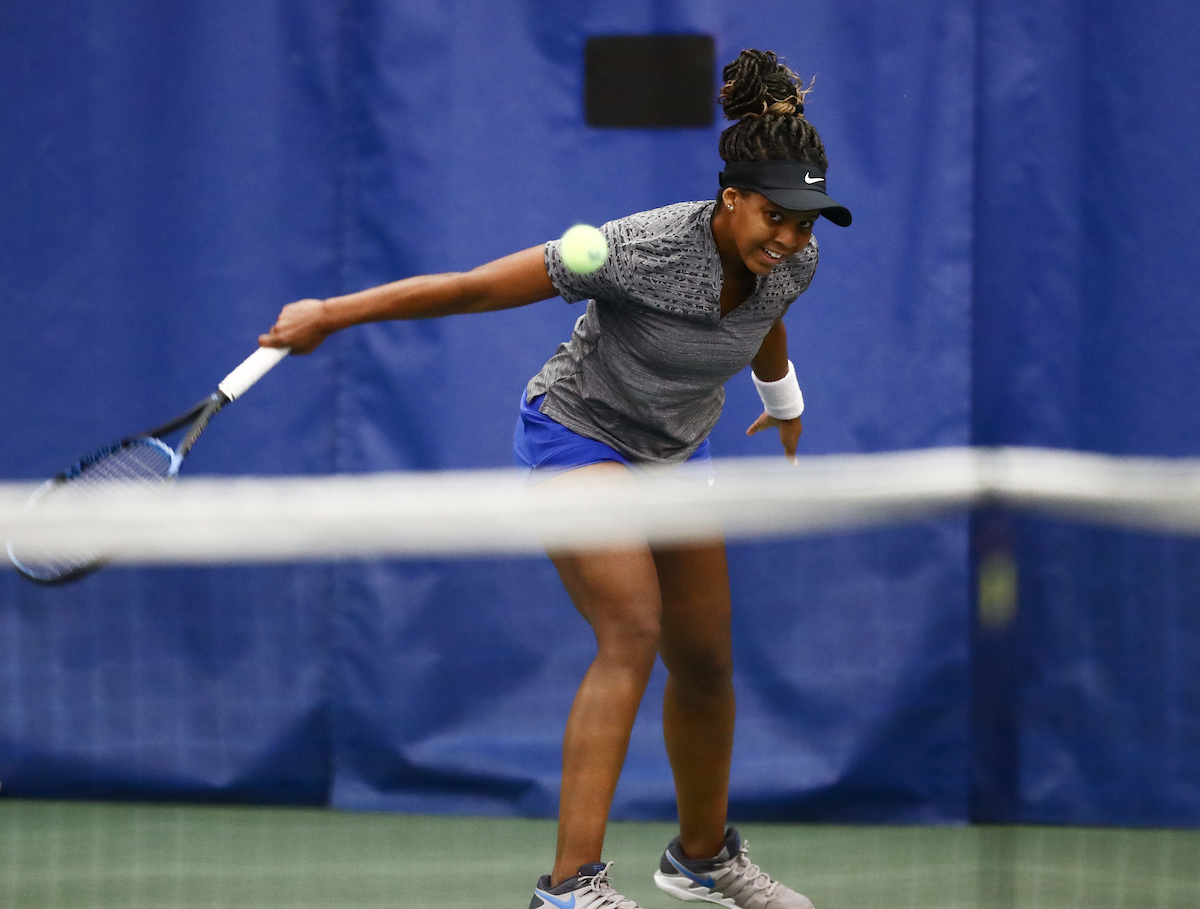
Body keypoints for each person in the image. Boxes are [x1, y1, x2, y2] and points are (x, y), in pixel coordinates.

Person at [261, 48, 851, 909]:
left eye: (805, 223)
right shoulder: (634, 249)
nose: (792, 238)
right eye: (777, 217)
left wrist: (784, 398)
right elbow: (468, 289)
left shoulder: (791, 262)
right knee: (632, 627)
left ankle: (700, 857)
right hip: (579, 434)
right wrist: (330, 315)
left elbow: (767, 317)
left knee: (709, 660)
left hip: (675, 451)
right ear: (731, 199)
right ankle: (570, 887)